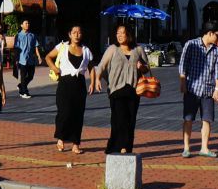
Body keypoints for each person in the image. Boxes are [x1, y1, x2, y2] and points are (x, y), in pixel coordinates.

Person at [95, 24, 149, 154]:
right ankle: (121, 147)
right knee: (119, 120)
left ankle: (123, 147)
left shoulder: (138, 49)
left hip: (133, 90)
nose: (119, 35)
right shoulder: (113, 49)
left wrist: (141, 67)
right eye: (117, 33)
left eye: (122, 33)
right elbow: (101, 66)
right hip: (116, 90)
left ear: (129, 34)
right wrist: (97, 79)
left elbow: (147, 68)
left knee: (130, 120)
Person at [45, 25, 93, 154]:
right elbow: (48, 57)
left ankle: (76, 143)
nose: (77, 34)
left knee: (78, 114)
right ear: (69, 34)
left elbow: (91, 67)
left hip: (79, 84)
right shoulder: (62, 47)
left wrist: (93, 82)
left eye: (79, 32)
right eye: (74, 32)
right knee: (64, 112)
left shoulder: (86, 50)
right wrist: (55, 68)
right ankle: (61, 138)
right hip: (65, 84)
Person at [178, 24, 218, 158]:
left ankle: (204, 148)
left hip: (208, 90)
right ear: (209, 33)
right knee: (188, 119)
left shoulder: (216, 50)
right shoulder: (191, 45)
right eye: (217, 35)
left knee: (207, 119)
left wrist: (217, 89)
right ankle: (186, 148)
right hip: (192, 88)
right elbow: (183, 64)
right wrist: (183, 83)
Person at [12, 18, 40, 98]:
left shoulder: (32, 35)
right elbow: (16, 48)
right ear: (21, 25)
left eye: (28, 23)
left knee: (31, 76)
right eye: (26, 23)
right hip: (22, 59)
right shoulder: (18, 36)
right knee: (23, 76)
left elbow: (36, 46)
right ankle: (24, 92)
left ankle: (21, 86)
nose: (27, 24)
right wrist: (16, 59)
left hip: (31, 59)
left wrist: (39, 56)